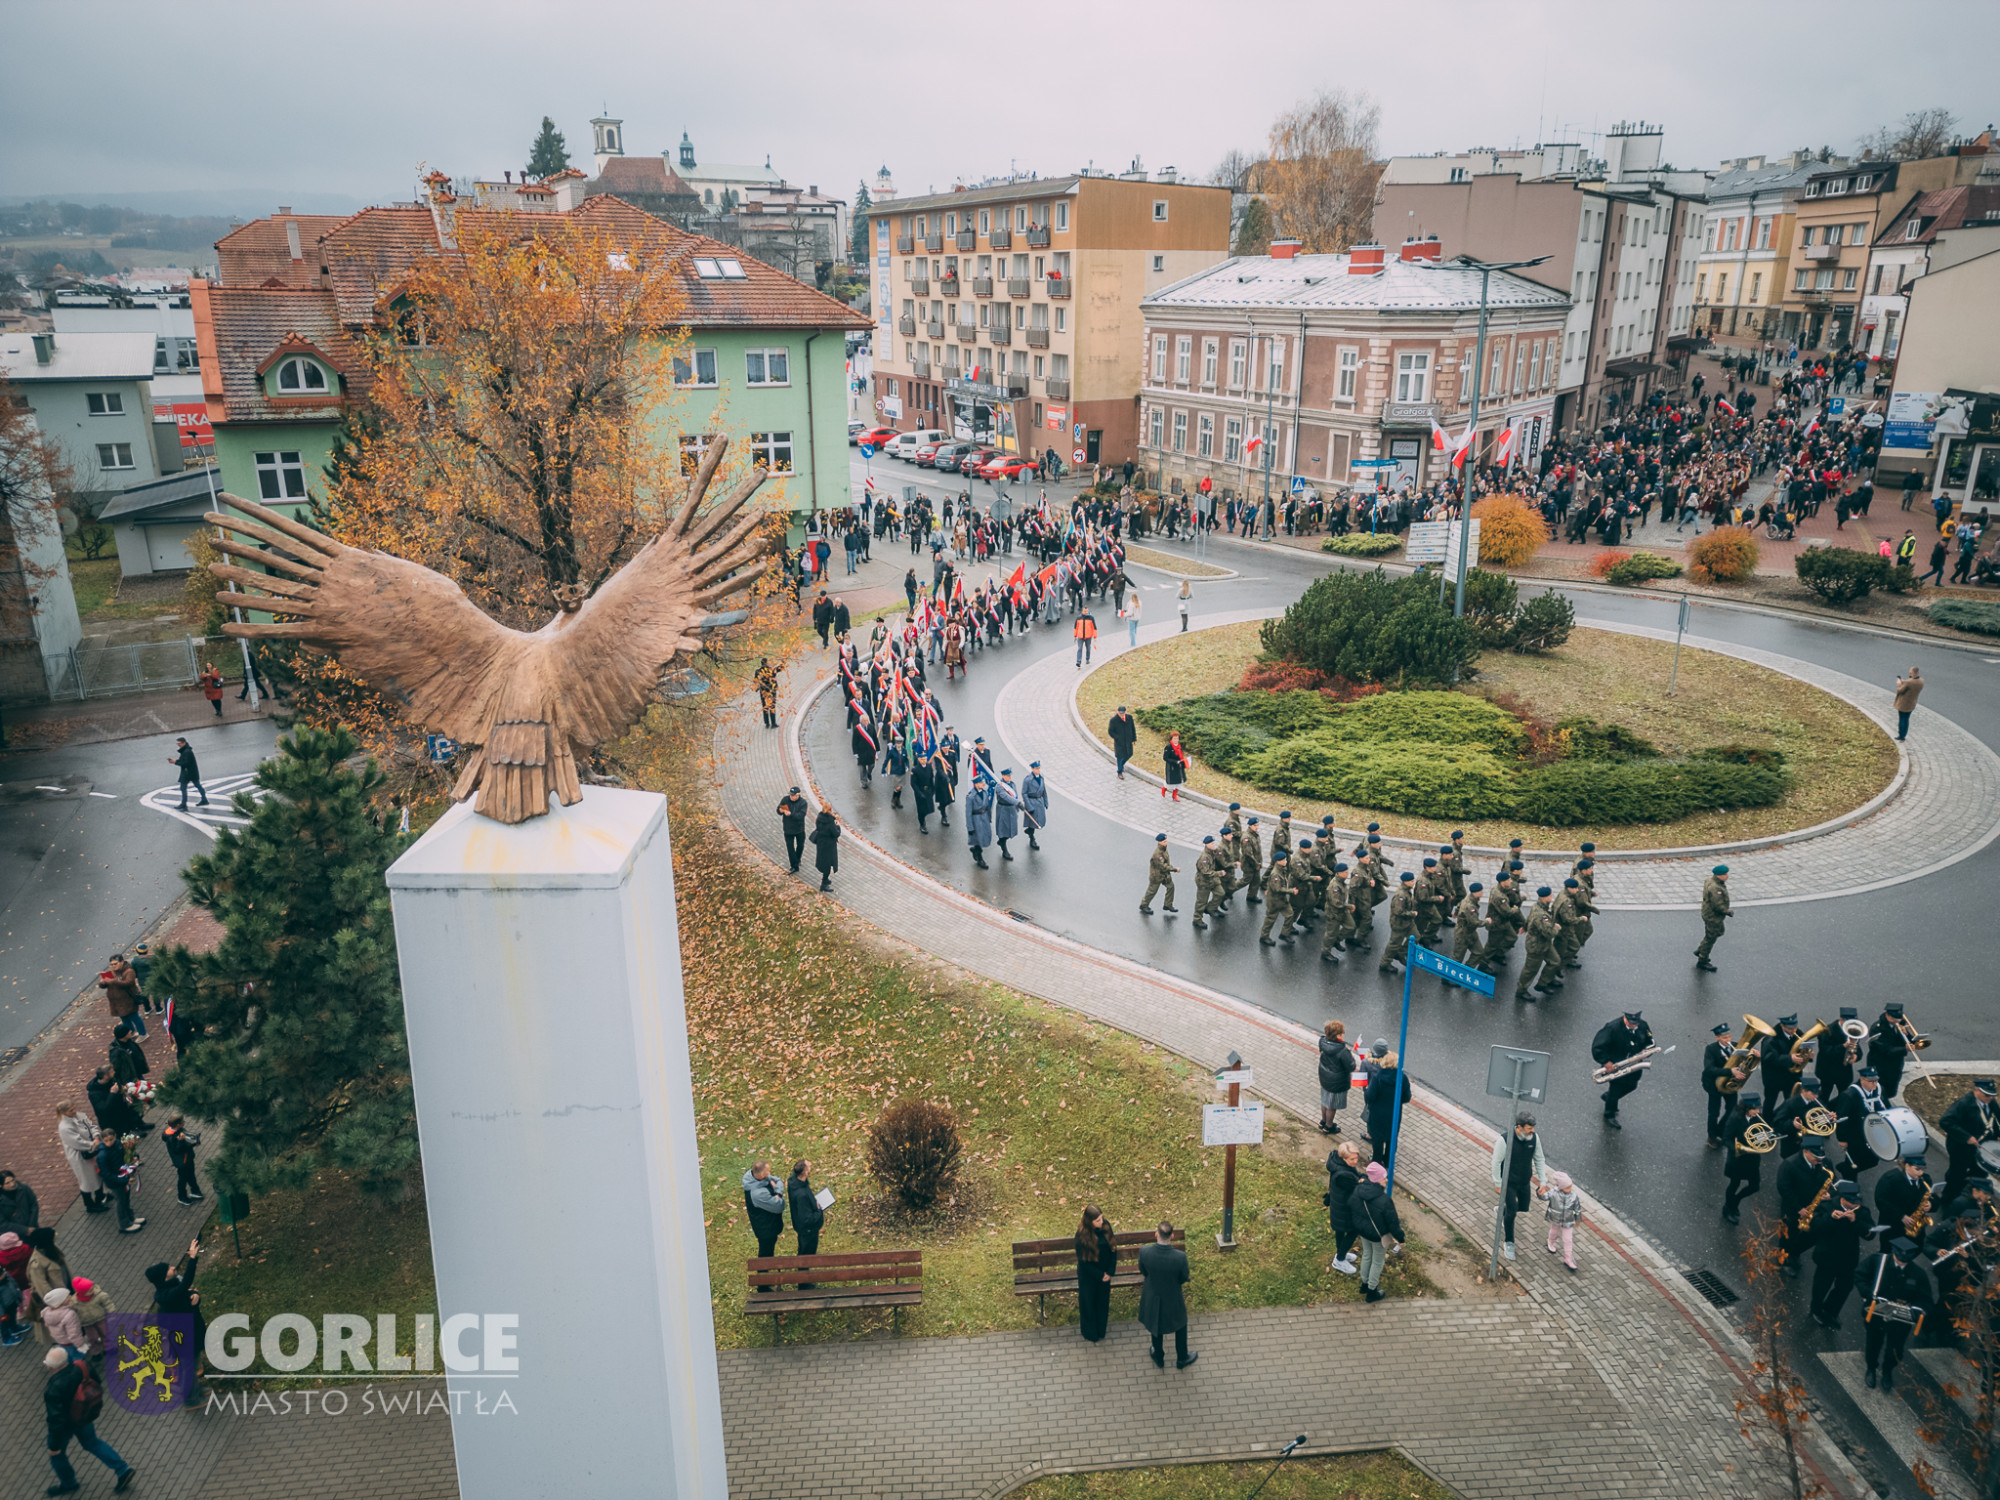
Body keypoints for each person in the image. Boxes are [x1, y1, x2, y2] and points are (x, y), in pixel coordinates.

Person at [43, 1345, 136, 1495]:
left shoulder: (53, 1388)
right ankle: (122, 1470)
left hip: (67, 1424)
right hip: (83, 1415)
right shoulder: (81, 1366)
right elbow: (96, 1381)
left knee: (57, 1455)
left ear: (51, 1367)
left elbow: (56, 1419)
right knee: (92, 1443)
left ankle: (69, 1483)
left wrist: (54, 1445)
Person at [1856, 1237, 1932, 1390]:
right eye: (1898, 1259)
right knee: (1873, 1343)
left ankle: (1887, 1371)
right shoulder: (1877, 1262)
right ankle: (1871, 1368)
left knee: (1895, 1349)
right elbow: (1860, 1275)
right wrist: (1868, 1293)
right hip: (1876, 1314)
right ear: (1893, 1253)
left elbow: (1925, 1299)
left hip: (1900, 1320)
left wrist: (1917, 1311)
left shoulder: (1918, 1274)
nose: (1901, 1263)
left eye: (1905, 1261)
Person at [143, 1239, 206, 1406]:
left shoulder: (169, 1291)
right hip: (185, 1338)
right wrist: (193, 1258)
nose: (173, 1267)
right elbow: (185, 1286)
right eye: (169, 1269)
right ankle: (191, 1400)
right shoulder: (169, 1294)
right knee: (188, 1370)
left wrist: (194, 1297)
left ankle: (196, 1391)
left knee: (191, 1368)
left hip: (188, 1334)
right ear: (164, 1277)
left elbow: (185, 1294)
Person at [1808, 1180, 1873, 1331]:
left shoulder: (1862, 1212)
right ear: (1843, 1199)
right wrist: (1830, 1218)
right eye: (1852, 1202)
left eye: (1857, 1202)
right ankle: (1816, 1310)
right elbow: (1814, 1227)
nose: (1856, 1205)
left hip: (1848, 1258)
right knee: (1821, 1286)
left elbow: (1870, 1234)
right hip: (1827, 1256)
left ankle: (1831, 1311)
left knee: (1845, 1287)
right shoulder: (1827, 1206)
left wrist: (1855, 1222)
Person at [1136, 1221, 1195, 1368]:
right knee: (1181, 1323)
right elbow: (1183, 1277)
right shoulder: (1180, 1257)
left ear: (1156, 1234)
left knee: (1156, 1324)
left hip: (1153, 1296)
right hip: (1173, 1297)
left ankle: (1158, 1356)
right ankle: (1182, 1358)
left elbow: (1144, 1271)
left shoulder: (1145, 1252)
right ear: (1172, 1236)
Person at [1491, 1113, 1548, 1262]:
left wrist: (1543, 1181)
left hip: (1524, 1181)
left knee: (1523, 1207)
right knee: (1512, 1212)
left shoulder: (1534, 1138)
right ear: (1519, 1127)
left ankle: (1502, 1210)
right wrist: (1498, 1183)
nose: (1533, 1131)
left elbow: (1539, 1158)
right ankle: (1509, 1242)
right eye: (1529, 1128)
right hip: (1508, 1183)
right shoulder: (1504, 1140)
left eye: (1533, 1128)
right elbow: (1496, 1162)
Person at [1941, 1079, 2000, 1207]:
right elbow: (1946, 1122)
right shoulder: (1963, 1104)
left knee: (1979, 1174)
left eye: (1991, 1095)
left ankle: (1972, 1201)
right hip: (1961, 1148)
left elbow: (1998, 1119)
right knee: (1957, 1175)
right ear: (1976, 1090)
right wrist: (1966, 1137)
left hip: (1983, 1148)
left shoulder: (1991, 1103)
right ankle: (1948, 1202)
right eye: (1986, 1095)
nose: (1990, 1098)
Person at [1351, 1162, 1403, 1303]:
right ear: (1377, 1179)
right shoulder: (1384, 1200)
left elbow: (1352, 1208)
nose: (1386, 1179)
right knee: (1377, 1262)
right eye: (1384, 1177)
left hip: (1363, 1232)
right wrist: (1400, 1238)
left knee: (1367, 1255)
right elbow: (1393, 1223)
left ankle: (1364, 1284)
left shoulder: (1358, 1190)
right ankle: (1372, 1291)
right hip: (1378, 1236)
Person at [1721, 1093, 1770, 1225]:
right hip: (1738, 1159)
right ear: (1746, 1108)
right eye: (1755, 1109)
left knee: (1754, 1186)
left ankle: (1735, 1201)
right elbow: (1726, 1139)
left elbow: (1762, 1131)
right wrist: (1738, 1148)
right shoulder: (1735, 1119)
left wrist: (1766, 1137)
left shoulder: (1758, 1117)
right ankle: (1727, 1208)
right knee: (1734, 1185)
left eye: (1758, 1108)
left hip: (1752, 1158)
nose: (1758, 1111)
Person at [1074, 1206, 1117, 1343]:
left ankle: (1100, 1330)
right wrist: (1100, 1275)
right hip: (1089, 1276)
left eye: (1101, 1218)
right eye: (1098, 1220)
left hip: (1105, 1274)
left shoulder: (1106, 1227)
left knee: (1102, 1302)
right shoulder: (1082, 1236)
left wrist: (1110, 1272)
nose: (1101, 1221)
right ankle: (1090, 1333)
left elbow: (1113, 1250)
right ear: (1090, 1221)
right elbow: (1083, 1262)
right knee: (1088, 1303)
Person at [1364, 1049, 1411, 1167]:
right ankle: (1388, 1160)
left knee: (1378, 1139)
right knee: (1391, 1138)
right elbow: (1406, 1097)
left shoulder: (1378, 1077)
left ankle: (1376, 1160)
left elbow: (1370, 1096)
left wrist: (1366, 1090)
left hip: (1378, 1114)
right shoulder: (1403, 1079)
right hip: (1393, 1114)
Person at [55, 1104, 105, 1214]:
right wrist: (92, 1144)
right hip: (80, 1156)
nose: (74, 1111)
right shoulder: (64, 1127)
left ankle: (100, 1196)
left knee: (98, 1174)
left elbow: (91, 1126)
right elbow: (77, 1142)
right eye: (70, 1110)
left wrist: (96, 1137)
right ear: (63, 1113)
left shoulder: (80, 1115)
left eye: (74, 1108)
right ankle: (90, 1205)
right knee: (86, 1179)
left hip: (92, 1149)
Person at [95, 1130, 143, 1234]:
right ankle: (124, 1224)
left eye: (111, 1139)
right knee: (121, 1201)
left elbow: (126, 1155)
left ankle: (131, 1218)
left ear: (115, 1137)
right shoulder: (102, 1155)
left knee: (126, 1199)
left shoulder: (118, 1144)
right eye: (106, 1140)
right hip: (115, 1182)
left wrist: (134, 1157)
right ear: (103, 1140)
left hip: (123, 1178)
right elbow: (105, 1173)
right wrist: (122, 1180)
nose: (109, 1142)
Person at [1327, 1140, 1363, 1274]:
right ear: (1343, 1158)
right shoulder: (1344, 1175)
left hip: (1339, 1205)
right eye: (1352, 1159)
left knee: (1340, 1231)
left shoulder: (1339, 1164)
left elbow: (1357, 1175)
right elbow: (1358, 1188)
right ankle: (1340, 1260)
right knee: (1354, 1230)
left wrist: (1361, 1178)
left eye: (1356, 1158)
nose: (1355, 1161)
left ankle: (1340, 1254)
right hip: (1345, 1209)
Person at [787, 1161, 826, 1285]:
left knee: (803, 1253)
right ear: (804, 1172)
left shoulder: (794, 1182)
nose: (810, 1166)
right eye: (808, 1166)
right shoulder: (802, 1195)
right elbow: (807, 1219)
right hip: (808, 1231)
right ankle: (804, 1284)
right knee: (806, 1255)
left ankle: (803, 1279)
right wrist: (819, 1210)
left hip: (802, 1228)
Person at [742, 1161, 786, 1268]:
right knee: (765, 1252)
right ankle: (763, 1281)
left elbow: (778, 1180)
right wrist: (778, 1193)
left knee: (768, 1250)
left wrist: (776, 1190)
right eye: (768, 1172)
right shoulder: (758, 1194)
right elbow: (779, 1206)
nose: (769, 1174)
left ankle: (767, 1270)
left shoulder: (752, 1177)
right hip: (766, 1229)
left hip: (768, 1223)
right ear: (762, 1175)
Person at [1318, 1020, 1353, 1135]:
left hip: (1325, 1078)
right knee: (1331, 1106)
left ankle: (1323, 1121)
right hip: (1336, 1082)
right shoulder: (1342, 1051)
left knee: (1325, 1101)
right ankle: (1328, 1126)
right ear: (1338, 1035)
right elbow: (1351, 1066)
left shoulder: (1322, 1042)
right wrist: (1350, 1055)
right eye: (1342, 1033)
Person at [1543, 1171, 1583, 1273]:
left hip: (1568, 1221)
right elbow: (1544, 1197)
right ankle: (1551, 1242)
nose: (1570, 1189)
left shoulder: (1574, 1196)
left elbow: (1577, 1209)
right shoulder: (1554, 1193)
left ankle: (1568, 1257)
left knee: (1568, 1239)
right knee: (1554, 1231)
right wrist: (1540, 1192)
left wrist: (1577, 1219)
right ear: (1561, 1187)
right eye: (1567, 1187)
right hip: (1556, 1218)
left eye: (1570, 1187)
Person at [1695, 865, 1730, 972]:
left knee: (1715, 933)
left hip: (1707, 912)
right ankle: (1703, 960)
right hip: (1713, 916)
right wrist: (1727, 911)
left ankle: (1701, 950)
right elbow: (1718, 905)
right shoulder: (1716, 888)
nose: (1727, 876)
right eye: (1725, 874)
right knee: (1711, 937)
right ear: (1719, 876)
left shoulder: (1709, 880)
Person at [98, 956, 143, 1039]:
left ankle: (143, 1034)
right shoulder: (112, 972)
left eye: (115, 964)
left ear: (122, 962)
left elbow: (128, 983)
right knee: (124, 1019)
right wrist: (103, 983)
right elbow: (106, 985)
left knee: (135, 1018)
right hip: (116, 1002)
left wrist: (113, 981)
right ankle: (130, 1033)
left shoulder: (129, 972)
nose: (113, 966)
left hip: (128, 1000)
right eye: (111, 964)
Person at [160, 1116, 202, 1206]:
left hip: (188, 1158)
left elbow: (187, 1141)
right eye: (183, 1121)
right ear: (177, 1125)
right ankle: (182, 1197)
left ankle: (195, 1190)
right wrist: (181, 1141)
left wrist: (193, 1141)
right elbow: (177, 1150)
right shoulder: (171, 1137)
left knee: (191, 1174)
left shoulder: (179, 1130)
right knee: (182, 1180)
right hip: (182, 1161)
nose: (184, 1122)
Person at [1140, 833, 1178, 916]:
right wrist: (1174, 869)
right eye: (1164, 841)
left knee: (1171, 887)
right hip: (1156, 876)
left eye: (1166, 841)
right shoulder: (1157, 854)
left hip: (1164, 875)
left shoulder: (1164, 849)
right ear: (1159, 842)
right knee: (1152, 891)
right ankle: (1144, 905)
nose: (1166, 842)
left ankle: (1168, 905)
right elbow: (1163, 866)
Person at [0, 1169, 40, 1241]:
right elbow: (3, 1224)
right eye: (7, 1183)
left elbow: (33, 1205)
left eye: (12, 1180)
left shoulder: (24, 1188)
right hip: (15, 1237)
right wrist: (25, 1230)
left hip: (33, 1228)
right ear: (1, 1186)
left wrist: (31, 1225)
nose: (12, 1184)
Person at [776, 787, 809, 874]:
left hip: (799, 829)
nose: (791, 797)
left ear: (798, 795)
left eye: (793, 795)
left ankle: (797, 860)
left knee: (800, 846)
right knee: (790, 848)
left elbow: (801, 815)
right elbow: (779, 810)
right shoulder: (785, 799)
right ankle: (794, 866)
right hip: (788, 829)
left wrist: (790, 814)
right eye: (791, 795)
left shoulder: (803, 803)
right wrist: (780, 810)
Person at [808, 809, 841, 892]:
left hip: (821, 843)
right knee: (828, 864)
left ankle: (825, 880)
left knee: (823, 861)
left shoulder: (820, 817)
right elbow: (836, 833)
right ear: (829, 811)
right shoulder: (830, 822)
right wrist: (837, 826)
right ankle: (824, 884)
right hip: (829, 846)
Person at [170, 737, 208, 810]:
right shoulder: (186, 750)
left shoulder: (187, 751)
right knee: (197, 785)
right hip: (192, 772)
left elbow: (185, 763)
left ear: (184, 743)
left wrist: (175, 762)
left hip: (187, 773)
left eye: (179, 743)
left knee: (183, 788)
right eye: (177, 743)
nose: (178, 745)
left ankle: (184, 805)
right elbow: (184, 760)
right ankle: (204, 800)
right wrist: (176, 760)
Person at [1020, 762, 1047, 852]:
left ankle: (1030, 832)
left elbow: (1044, 790)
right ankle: (1032, 839)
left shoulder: (1041, 777)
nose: (1038, 770)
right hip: (1031, 802)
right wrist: (1029, 806)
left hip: (1039, 802)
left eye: (1039, 768)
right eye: (1036, 768)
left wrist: (1046, 801)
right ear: (1032, 769)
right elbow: (1024, 793)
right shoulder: (1027, 780)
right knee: (1033, 822)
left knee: (1038, 821)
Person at [1893, 666, 1923, 741]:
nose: (1909, 673)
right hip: (1912, 703)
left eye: (1910, 672)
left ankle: (1901, 735)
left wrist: (1899, 683)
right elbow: (1911, 685)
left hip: (1903, 704)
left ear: (1912, 673)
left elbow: (1900, 690)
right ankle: (1904, 734)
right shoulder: (1921, 681)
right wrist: (1904, 682)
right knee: (1906, 719)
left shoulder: (1908, 682)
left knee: (1902, 719)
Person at [1108, 706, 1137, 778]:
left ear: (1125, 712)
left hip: (1128, 741)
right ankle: (1119, 772)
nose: (1121, 714)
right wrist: (1117, 738)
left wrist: (1134, 738)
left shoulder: (1129, 718)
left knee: (1129, 754)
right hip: (1119, 742)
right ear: (1117, 712)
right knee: (1120, 756)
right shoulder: (1113, 720)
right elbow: (1110, 731)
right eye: (1120, 713)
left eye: (1123, 713)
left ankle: (1121, 765)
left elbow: (1133, 728)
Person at [755, 657, 781, 729]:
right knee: (772, 706)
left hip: (763, 692)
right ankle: (773, 723)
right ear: (766, 663)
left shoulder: (757, 671)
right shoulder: (771, 670)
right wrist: (783, 661)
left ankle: (767, 723)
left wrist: (757, 688)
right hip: (771, 691)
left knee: (765, 707)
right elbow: (779, 669)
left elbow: (755, 681)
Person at [1161, 731, 1188, 802]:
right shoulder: (1169, 747)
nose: (1176, 740)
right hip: (1171, 768)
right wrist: (1175, 762)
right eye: (1175, 738)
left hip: (1179, 767)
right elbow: (1165, 758)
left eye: (1177, 738)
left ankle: (1174, 795)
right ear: (1171, 739)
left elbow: (1181, 755)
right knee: (1170, 783)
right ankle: (1164, 789)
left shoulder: (1179, 746)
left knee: (1178, 782)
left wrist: (1183, 761)